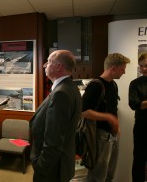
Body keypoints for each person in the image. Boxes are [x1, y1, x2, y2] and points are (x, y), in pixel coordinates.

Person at [30, 50, 82, 182]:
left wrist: (41, 168)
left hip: (53, 169)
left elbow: (54, 140)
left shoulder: (61, 93)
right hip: (60, 162)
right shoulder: (71, 87)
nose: (45, 65)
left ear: (58, 66)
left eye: (48, 62)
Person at [82, 53, 130, 182]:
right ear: (113, 68)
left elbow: (113, 109)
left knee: (109, 175)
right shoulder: (96, 85)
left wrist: (116, 125)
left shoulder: (113, 85)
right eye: (122, 69)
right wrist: (108, 117)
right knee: (97, 176)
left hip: (112, 136)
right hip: (100, 136)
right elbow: (84, 111)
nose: (124, 72)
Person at [128, 53, 147, 182]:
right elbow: (134, 104)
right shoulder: (135, 84)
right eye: (141, 66)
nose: (144, 68)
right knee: (139, 160)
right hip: (142, 127)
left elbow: (141, 104)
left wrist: (144, 103)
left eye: (146, 65)